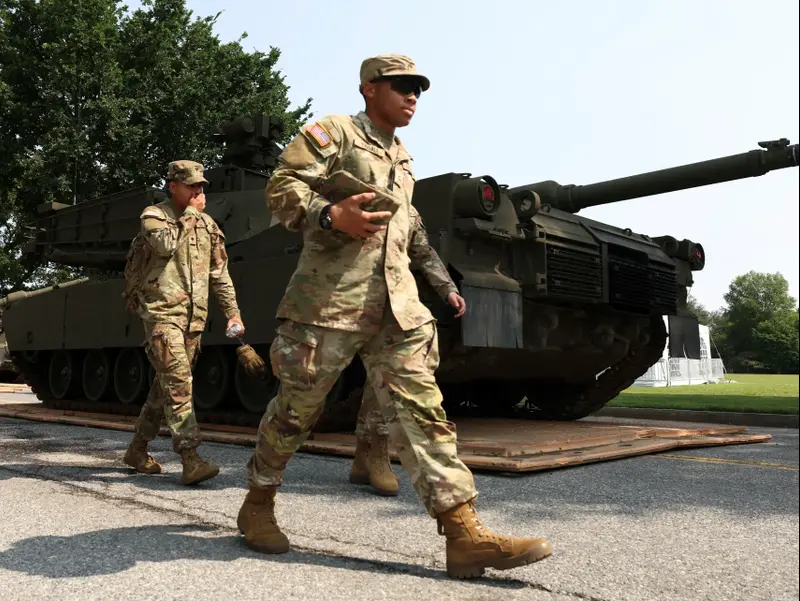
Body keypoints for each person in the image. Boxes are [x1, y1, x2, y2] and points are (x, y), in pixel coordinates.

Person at [237, 54, 553, 579]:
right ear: (369, 88)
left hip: (397, 308)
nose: (412, 96)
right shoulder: (336, 133)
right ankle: (258, 503)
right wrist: (329, 213)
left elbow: (414, 231)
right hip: (330, 302)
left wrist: (443, 284)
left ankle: (464, 535)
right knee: (296, 411)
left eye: (418, 89)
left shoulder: (403, 159)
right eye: (402, 85)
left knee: (423, 414)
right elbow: (282, 186)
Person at [123, 160, 266, 485]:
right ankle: (190, 457)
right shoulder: (154, 216)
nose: (198, 191)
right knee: (179, 382)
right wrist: (190, 214)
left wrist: (233, 312)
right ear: (173, 186)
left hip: (194, 321)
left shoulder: (208, 226)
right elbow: (164, 244)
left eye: (201, 186)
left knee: (165, 387)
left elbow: (220, 274)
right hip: (161, 315)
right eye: (192, 186)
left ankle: (137, 449)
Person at [349, 206, 466, 497]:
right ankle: (366, 454)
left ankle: (373, 453)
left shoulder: (409, 211)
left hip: (395, 302)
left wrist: (447, 289)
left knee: (385, 372)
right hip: (353, 297)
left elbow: (423, 252)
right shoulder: (357, 195)